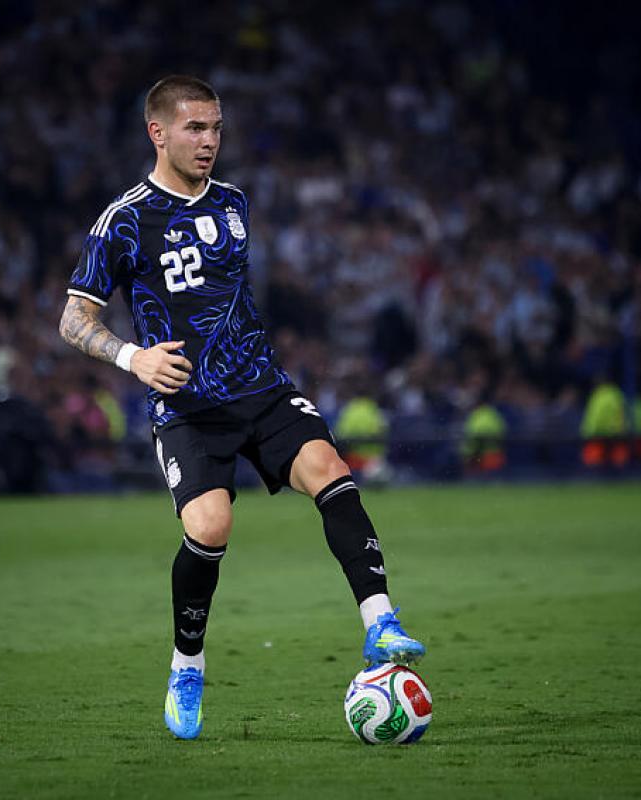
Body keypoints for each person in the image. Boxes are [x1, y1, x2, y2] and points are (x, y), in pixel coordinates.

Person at [57, 76, 424, 740]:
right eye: (195, 128)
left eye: (217, 127)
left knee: (330, 468)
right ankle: (187, 664)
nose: (210, 141)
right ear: (158, 133)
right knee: (212, 524)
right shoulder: (125, 219)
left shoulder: (234, 204)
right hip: (189, 408)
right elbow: (73, 318)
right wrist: (132, 358)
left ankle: (379, 622)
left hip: (261, 387)